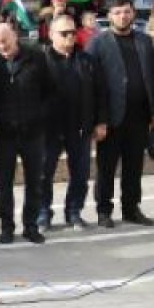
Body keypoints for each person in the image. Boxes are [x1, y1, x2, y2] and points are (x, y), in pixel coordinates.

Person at [86, 0, 154, 228]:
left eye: (126, 11)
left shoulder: (145, 41)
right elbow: (91, 84)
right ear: (110, 16)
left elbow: (151, 78)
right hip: (110, 118)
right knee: (106, 167)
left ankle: (131, 209)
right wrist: (98, 120)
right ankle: (103, 211)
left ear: (133, 13)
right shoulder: (98, 43)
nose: (122, 16)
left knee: (134, 166)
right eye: (117, 12)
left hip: (139, 116)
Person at [0, 24, 53, 244]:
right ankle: (6, 226)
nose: (2, 46)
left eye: (5, 41)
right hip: (5, 133)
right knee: (5, 182)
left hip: (33, 132)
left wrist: (40, 115)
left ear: (14, 36)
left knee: (35, 181)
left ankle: (30, 226)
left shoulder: (36, 56)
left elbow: (50, 91)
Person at [39, 15, 108, 231]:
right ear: (51, 35)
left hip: (80, 127)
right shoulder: (39, 61)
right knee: (43, 173)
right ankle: (42, 213)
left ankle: (74, 212)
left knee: (80, 173)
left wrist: (101, 122)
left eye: (72, 32)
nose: (70, 36)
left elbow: (101, 93)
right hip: (49, 129)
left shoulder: (87, 60)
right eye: (64, 33)